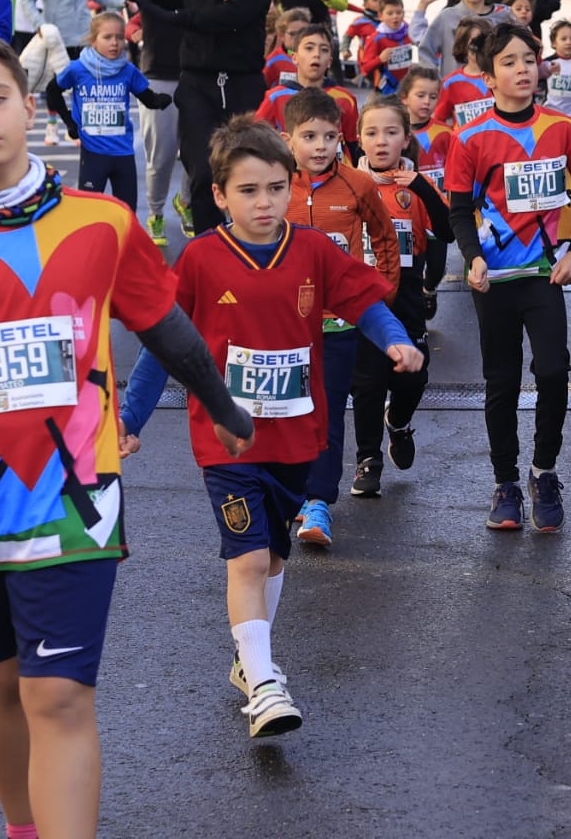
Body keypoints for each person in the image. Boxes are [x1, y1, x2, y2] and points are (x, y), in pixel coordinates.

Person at [0, 27, 253, 835]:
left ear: (29, 108)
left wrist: (221, 403)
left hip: (77, 502)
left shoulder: (103, 222)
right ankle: (22, 826)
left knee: (61, 694)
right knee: (0, 682)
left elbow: (167, 327)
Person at [120, 117, 417, 738]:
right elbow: (161, 348)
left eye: (277, 188)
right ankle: (264, 683)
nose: (265, 202)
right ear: (221, 196)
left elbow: (364, 303)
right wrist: (129, 418)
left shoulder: (311, 250)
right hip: (226, 442)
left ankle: (248, 659)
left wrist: (395, 341)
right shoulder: (201, 259)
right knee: (248, 559)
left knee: (276, 555)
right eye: (249, 190)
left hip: (295, 436)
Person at [446, 23, 571, 531]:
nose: (521, 70)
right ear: (489, 77)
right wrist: (472, 257)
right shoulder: (469, 137)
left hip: (543, 274)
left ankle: (545, 471)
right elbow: (458, 208)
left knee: (554, 369)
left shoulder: (563, 129)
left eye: (528, 61)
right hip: (493, 277)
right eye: (509, 63)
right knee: (502, 381)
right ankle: (505, 483)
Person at [273, 88, 401, 545]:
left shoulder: (358, 184)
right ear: (288, 141)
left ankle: (318, 503)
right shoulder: (276, 184)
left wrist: (380, 293)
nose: (321, 146)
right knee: (287, 412)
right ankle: (288, 492)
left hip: (338, 324)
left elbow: (385, 238)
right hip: (284, 326)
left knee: (326, 413)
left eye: (330, 136)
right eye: (309, 136)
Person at [110, 0, 275, 235]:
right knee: (201, 170)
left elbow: (234, 15)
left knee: (245, 169)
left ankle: (249, 240)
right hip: (197, 81)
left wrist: (174, 16)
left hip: (242, 82)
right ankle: (206, 245)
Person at [349, 96, 450, 496]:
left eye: (391, 132)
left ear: (406, 139)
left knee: (412, 378)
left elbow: (445, 231)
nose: (381, 141)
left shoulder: (416, 186)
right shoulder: (351, 185)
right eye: (371, 133)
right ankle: (367, 459)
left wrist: (424, 188)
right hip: (362, 302)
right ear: (358, 140)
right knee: (367, 384)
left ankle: (400, 423)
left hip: (406, 301)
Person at [44, 12, 174, 211]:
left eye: (119, 37)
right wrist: (70, 122)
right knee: (89, 212)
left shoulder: (128, 70)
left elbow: (148, 98)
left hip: (123, 153)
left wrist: (161, 100)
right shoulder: (78, 69)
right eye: (107, 37)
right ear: (93, 40)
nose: (114, 43)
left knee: (127, 211)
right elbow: (53, 91)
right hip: (93, 152)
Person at [127, 0, 192, 244]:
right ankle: (154, 213)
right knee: (162, 155)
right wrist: (131, 30)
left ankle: (186, 203)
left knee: (198, 151)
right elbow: (133, 9)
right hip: (158, 77)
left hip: (194, 75)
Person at [256, 25, 360, 155]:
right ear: (294, 57)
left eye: (324, 50)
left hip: (334, 173)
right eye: (309, 48)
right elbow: (257, 139)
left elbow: (353, 145)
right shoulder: (275, 97)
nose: (316, 55)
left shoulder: (346, 98)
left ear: (329, 61)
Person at [401, 67, 450, 319]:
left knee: (438, 266)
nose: (427, 102)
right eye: (420, 95)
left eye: (433, 96)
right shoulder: (395, 132)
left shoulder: (445, 133)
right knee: (412, 264)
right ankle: (413, 314)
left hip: (435, 211)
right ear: (404, 98)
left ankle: (428, 290)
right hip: (407, 212)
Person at [417, 0, 511, 76]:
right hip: (455, 90)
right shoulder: (446, 17)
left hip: (494, 90)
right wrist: (436, 82)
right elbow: (425, 51)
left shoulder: (504, 16)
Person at [432, 16, 496, 128]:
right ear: (463, 46)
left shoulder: (500, 76)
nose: (481, 47)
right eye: (475, 43)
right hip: (466, 144)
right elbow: (438, 120)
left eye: (485, 41)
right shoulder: (450, 83)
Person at [360, 0, 415, 95]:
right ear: (380, 16)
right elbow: (364, 69)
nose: (395, 17)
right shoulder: (376, 38)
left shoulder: (408, 31)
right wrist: (380, 59)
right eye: (390, 13)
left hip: (406, 86)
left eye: (399, 12)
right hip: (386, 89)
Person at [542, 19, 571, 118]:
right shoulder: (548, 63)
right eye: (563, 39)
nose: (568, 42)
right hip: (550, 112)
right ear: (554, 42)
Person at [264, 7, 312, 88]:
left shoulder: (315, 58)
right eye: (293, 34)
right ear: (281, 35)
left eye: (303, 33)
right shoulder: (273, 61)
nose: (298, 38)